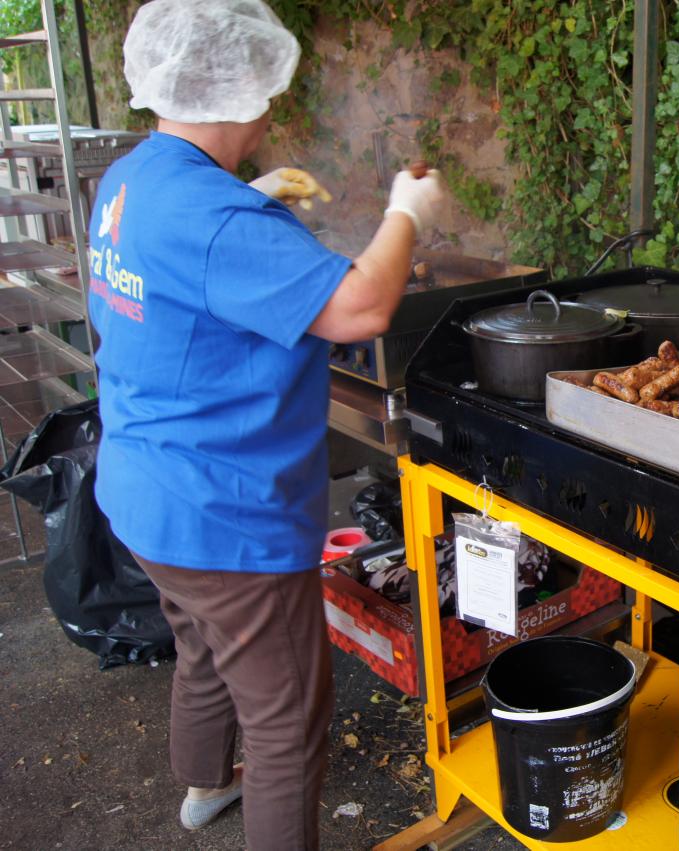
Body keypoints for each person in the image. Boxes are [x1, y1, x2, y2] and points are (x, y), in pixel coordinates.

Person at [86, 1, 446, 848]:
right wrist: (407, 214)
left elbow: (172, 262)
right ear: (237, 96)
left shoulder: (133, 177)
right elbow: (360, 306)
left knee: (206, 646)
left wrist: (246, 198)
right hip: (224, 512)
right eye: (267, 90)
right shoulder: (216, 221)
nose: (273, 109)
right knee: (287, 721)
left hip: (144, 494)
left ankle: (205, 788)